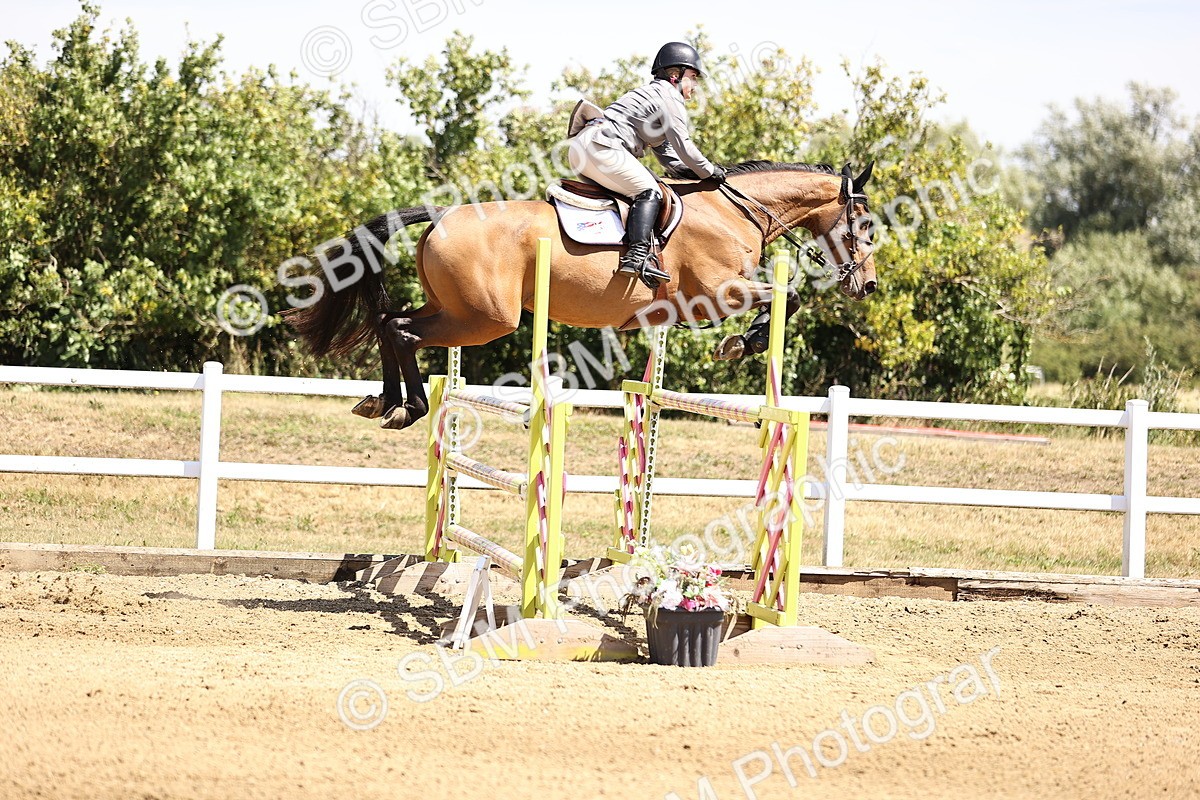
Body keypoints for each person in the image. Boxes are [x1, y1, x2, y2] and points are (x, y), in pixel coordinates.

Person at [568, 41, 726, 286]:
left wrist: (690, 173)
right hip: (603, 146)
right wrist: (710, 171)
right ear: (675, 75)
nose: (694, 86)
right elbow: (684, 146)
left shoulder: (652, 96)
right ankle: (637, 257)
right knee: (649, 191)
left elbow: (669, 156)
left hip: (584, 148)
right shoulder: (669, 97)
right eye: (692, 77)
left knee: (642, 188)